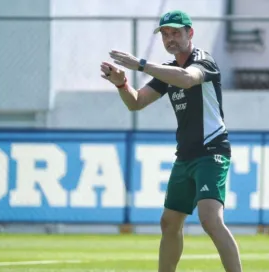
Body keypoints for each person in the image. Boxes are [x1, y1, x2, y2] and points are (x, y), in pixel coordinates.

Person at [100, 10, 243, 272]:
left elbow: (188, 79)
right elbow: (137, 102)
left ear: (190, 33)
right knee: (169, 222)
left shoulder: (203, 60)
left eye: (176, 33)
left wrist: (140, 64)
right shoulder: (168, 70)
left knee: (210, 219)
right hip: (186, 155)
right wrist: (122, 85)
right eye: (165, 34)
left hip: (212, 150)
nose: (170, 39)